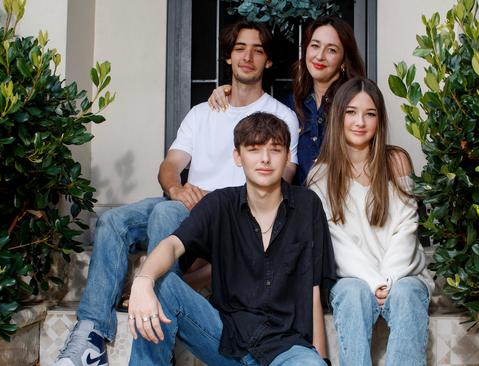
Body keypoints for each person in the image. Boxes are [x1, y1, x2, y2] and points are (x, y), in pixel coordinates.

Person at [55, 20, 300, 366]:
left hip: (229, 211)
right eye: (240, 48)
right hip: (189, 199)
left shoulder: (281, 117)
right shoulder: (203, 112)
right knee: (113, 221)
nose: (248, 56)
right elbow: (170, 164)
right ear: (228, 58)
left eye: (258, 50)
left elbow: (281, 183)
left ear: (268, 62)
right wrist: (176, 188)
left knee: (167, 214)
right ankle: (91, 335)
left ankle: (158, 336)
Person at [127, 112, 336, 366]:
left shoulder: (307, 205)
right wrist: (142, 281)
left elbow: (312, 289)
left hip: (287, 348)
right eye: (254, 149)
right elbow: (172, 244)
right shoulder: (219, 204)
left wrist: (322, 358)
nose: (265, 159)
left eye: (275, 149)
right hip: (226, 340)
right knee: (160, 284)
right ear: (238, 157)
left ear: (287, 156)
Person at [307, 77, 434, 366]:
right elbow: (334, 240)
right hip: (352, 276)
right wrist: (374, 282)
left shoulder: (396, 161)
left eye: (370, 114)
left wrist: (388, 279)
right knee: (351, 294)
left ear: (379, 119)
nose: (360, 122)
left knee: (408, 294)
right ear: (338, 116)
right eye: (351, 112)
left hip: (402, 273)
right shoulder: (320, 174)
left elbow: (407, 226)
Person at [208, 16, 365, 185]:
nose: (320, 56)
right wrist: (228, 91)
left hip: (342, 203)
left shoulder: (356, 103)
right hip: (299, 206)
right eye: (315, 46)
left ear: (343, 60)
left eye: (332, 50)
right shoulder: (290, 104)